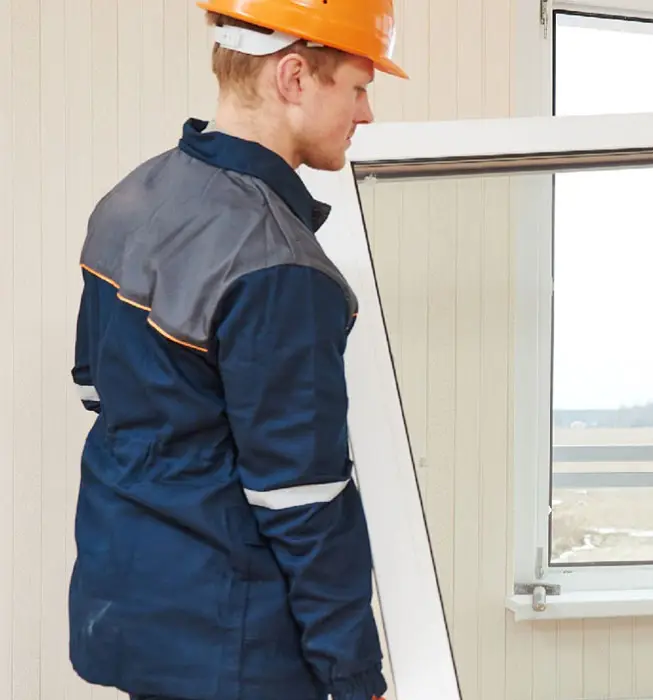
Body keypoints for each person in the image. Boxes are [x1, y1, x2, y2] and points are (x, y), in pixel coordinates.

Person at [67, 1, 407, 699]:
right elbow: (300, 497)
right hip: (237, 645)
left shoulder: (131, 200)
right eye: (357, 87)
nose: (366, 114)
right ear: (293, 77)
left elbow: (95, 387)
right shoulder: (277, 263)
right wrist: (355, 675)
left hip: (132, 612)